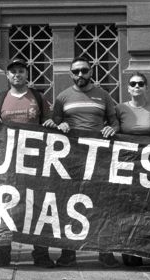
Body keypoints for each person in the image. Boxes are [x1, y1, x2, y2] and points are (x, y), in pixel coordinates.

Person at [43, 56, 119, 267]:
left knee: (100, 203)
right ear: (70, 74)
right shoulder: (63, 97)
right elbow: (54, 122)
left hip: (99, 157)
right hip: (71, 158)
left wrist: (112, 128)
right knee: (69, 203)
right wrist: (60, 126)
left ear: (91, 71)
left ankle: (105, 252)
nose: (80, 75)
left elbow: (114, 122)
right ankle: (68, 252)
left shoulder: (103, 95)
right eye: (76, 71)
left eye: (84, 70)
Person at [0, 57, 51, 267]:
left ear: (26, 74)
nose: (17, 74)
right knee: (5, 205)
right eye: (13, 71)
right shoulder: (0, 99)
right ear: (7, 76)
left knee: (37, 205)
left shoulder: (38, 98)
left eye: (21, 71)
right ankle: (2, 252)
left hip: (34, 161)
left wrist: (51, 123)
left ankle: (41, 253)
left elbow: (48, 124)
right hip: (7, 163)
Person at [114, 70, 150, 268]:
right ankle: (131, 252)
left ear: (146, 87)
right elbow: (114, 132)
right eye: (133, 84)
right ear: (127, 88)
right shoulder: (119, 109)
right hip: (127, 166)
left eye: (140, 84)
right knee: (129, 209)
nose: (136, 87)